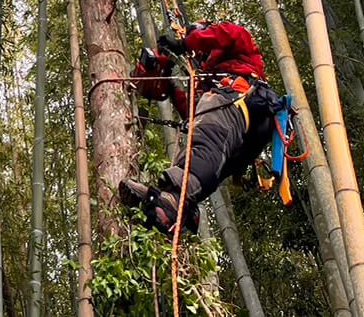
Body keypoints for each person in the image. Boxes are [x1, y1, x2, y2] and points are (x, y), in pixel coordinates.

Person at [118, 19, 281, 235]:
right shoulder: (207, 79)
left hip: (241, 100)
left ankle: (175, 199)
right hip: (245, 134)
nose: (198, 57)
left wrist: (184, 43)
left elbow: (228, 33)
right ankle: (179, 208)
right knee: (207, 157)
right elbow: (193, 113)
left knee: (205, 144)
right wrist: (170, 82)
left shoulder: (233, 45)